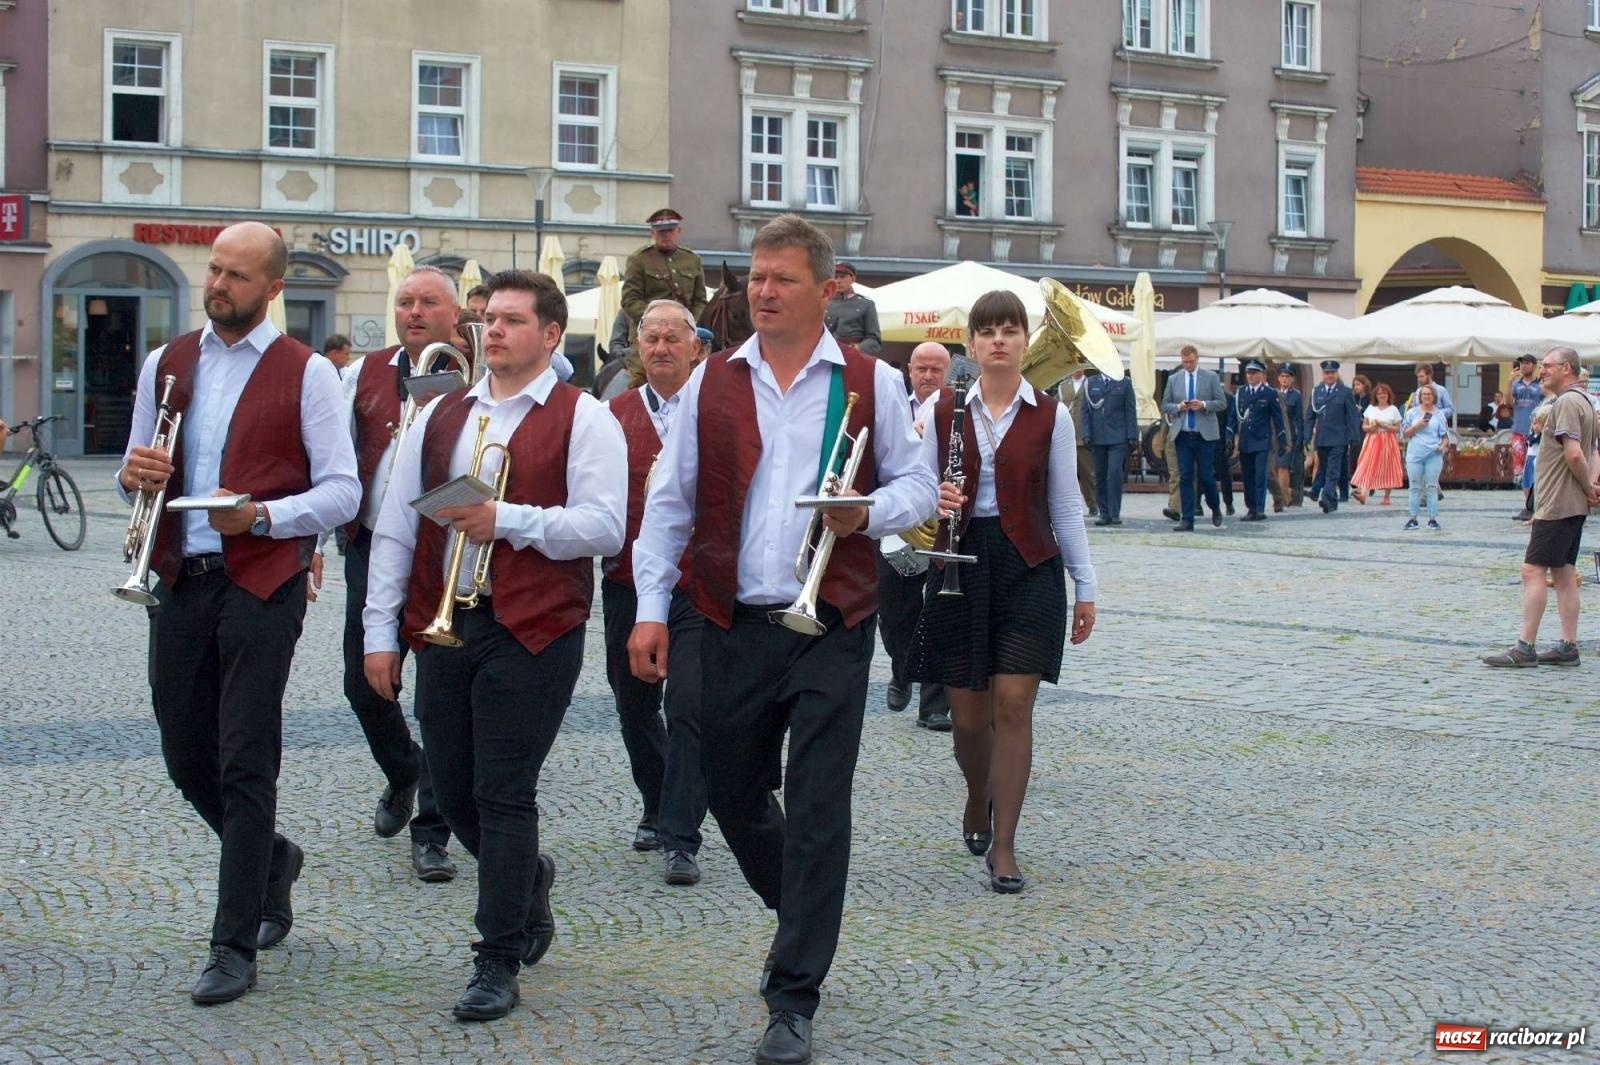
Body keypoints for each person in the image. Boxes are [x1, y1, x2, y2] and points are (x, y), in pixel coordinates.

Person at [627, 214, 936, 1065]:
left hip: (832, 618)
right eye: (756, 277)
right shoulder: (710, 382)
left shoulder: (870, 382)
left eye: (781, 278)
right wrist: (652, 606)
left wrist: (868, 511)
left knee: (820, 804)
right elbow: (669, 502)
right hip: (733, 618)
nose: (761, 291)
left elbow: (917, 484)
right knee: (726, 785)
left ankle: (791, 993)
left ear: (827, 289)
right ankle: (802, 906)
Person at [362, 269, 626, 1020]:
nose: (495, 331)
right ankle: (525, 881)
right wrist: (381, 633)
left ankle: (497, 955)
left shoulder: (586, 417)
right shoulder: (440, 416)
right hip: (446, 625)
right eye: (488, 320)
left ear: (550, 335)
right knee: (453, 783)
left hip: (535, 628)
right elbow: (397, 529)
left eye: (512, 320)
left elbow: (606, 525)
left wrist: (506, 518)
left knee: (504, 790)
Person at [117, 221, 360, 1003]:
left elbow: (342, 491)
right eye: (215, 270)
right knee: (185, 752)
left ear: (274, 288)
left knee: (245, 756)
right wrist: (134, 473)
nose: (218, 285)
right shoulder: (167, 361)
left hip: (263, 580)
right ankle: (271, 858)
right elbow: (135, 475)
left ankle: (232, 943)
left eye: (237, 276)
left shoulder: (309, 373)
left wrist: (261, 518)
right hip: (181, 576)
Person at [906, 289, 1097, 897]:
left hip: (1028, 565)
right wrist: (932, 497)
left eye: (1010, 331)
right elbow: (909, 487)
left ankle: (1006, 845)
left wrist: (1085, 583)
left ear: (1025, 340)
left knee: (1014, 704)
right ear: (972, 344)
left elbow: (1065, 503)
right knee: (968, 717)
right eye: (987, 332)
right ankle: (975, 794)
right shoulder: (941, 411)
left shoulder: (1050, 413)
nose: (998, 341)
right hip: (961, 558)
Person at [316, 266, 462, 884]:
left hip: (445, 551)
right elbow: (335, 457)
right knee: (363, 683)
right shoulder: (362, 373)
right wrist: (319, 543)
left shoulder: (475, 372)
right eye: (405, 302)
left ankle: (433, 831)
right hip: (372, 544)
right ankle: (406, 771)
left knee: (436, 695)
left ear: (454, 314)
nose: (415, 311)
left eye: (429, 302)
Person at [601, 299, 711, 882]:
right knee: (633, 701)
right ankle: (655, 798)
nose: (663, 346)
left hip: (699, 584)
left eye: (674, 337)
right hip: (626, 579)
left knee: (689, 705)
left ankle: (680, 834)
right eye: (652, 337)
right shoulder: (611, 413)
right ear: (638, 347)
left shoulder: (717, 408)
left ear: (696, 347)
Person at [1483, 347, 1599, 668]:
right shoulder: (1585, 401)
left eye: (1547, 365)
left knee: (1532, 570)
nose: (1540, 370)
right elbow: (1591, 451)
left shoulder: (1566, 402)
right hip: (1571, 502)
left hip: (1557, 502)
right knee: (1563, 573)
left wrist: (1589, 487)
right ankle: (1567, 646)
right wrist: (1589, 487)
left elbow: (1575, 453)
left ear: (1566, 368)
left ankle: (1525, 647)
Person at [882, 341, 952, 730]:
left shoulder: (960, 409)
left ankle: (934, 706)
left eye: (936, 369)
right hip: (898, 523)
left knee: (938, 610)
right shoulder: (893, 405)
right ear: (909, 370)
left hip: (942, 525)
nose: (928, 376)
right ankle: (901, 665)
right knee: (894, 611)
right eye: (921, 369)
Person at [1161, 345, 1226, 530]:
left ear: (1197, 359)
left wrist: (1204, 404)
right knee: (1185, 476)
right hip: (1183, 434)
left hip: (1204, 435)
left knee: (1206, 476)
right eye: (1184, 362)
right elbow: (1165, 404)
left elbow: (1222, 403)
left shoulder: (1210, 377)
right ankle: (1187, 518)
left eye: (1190, 362)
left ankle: (1215, 508)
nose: (1187, 365)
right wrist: (1179, 407)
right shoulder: (1174, 379)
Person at [622, 208, 708, 334]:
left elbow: (700, 300)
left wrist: (690, 321)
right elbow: (630, 300)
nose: (666, 235)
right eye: (661, 231)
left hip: (684, 332)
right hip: (649, 333)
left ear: (678, 231)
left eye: (670, 230)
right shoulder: (639, 259)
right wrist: (658, 319)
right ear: (652, 233)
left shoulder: (692, 259)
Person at [1080, 368, 1138, 526]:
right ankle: (1104, 513)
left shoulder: (1124, 382)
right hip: (1097, 436)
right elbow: (1084, 411)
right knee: (1099, 476)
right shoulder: (1091, 383)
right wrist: (1086, 434)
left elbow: (1130, 409)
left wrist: (1132, 436)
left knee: (1114, 473)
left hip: (1118, 436)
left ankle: (1114, 512)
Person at [1305, 360, 1362, 513]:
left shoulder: (1345, 392)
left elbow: (1352, 416)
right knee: (1324, 468)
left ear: (1337, 374)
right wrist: (1307, 435)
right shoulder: (1316, 392)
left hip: (1338, 438)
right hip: (1322, 438)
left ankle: (1326, 496)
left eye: (1332, 372)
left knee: (1333, 470)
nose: (1329, 375)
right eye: (1327, 372)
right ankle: (1332, 502)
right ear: (1323, 374)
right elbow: (1310, 416)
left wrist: (1354, 436)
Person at [1234, 360, 1287, 522]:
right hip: (1245, 440)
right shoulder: (1241, 392)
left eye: (1254, 373)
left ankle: (1259, 508)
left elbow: (1278, 419)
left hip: (1262, 440)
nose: (1250, 376)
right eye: (1248, 373)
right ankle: (1250, 507)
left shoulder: (1269, 393)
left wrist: (1282, 440)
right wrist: (1230, 435)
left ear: (1261, 375)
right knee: (1248, 476)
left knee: (1260, 475)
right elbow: (1233, 416)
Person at [1399, 383, 1449, 529]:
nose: (1427, 396)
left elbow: (1445, 436)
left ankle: (1432, 518)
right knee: (1414, 486)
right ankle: (1413, 518)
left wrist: (1443, 445)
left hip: (1433, 454)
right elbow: (1404, 434)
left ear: (1434, 397)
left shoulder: (1439, 414)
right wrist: (1417, 426)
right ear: (1420, 397)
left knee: (1431, 486)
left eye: (1429, 394)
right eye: (1424, 394)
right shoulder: (1412, 413)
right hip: (1415, 454)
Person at [1350, 382, 1403, 506]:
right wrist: (1371, 427)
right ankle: (1363, 493)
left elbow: (1397, 428)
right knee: (1367, 464)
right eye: (1379, 393)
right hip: (1372, 439)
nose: (1381, 395)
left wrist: (1383, 425)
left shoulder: (1393, 409)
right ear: (1375, 396)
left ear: (1388, 395)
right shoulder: (1371, 408)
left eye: (1384, 393)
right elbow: (1364, 426)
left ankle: (1386, 496)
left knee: (1387, 466)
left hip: (1387, 440)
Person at [823, 262, 881, 355]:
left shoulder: (866, 304)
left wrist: (858, 348)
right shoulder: (822, 302)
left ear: (853, 278)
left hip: (855, 355)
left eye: (842, 276)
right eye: (835, 277)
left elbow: (874, 340)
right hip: (826, 353)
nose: (838, 281)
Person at [1510, 353, 1541, 501]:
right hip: (1518, 429)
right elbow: (1508, 403)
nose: (1524, 366)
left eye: (1528, 363)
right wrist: (1509, 381)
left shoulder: (1540, 385)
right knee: (1519, 471)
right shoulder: (1516, 384)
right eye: (1522, 363)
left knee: (1532, 468)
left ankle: (1533, 503)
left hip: (1535, 432)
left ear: (1534, 366)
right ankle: (1527, 503)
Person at [1273, 365, 1305, 509]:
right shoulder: (1274, 393)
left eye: (1288, 376)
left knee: (1283, 466)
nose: (1285, 379)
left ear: (1292, 379)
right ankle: (1285, 494)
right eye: (1282, 376)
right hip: (1275, 434)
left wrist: (1300, 437)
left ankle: (1283, 497)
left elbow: (1299, 419)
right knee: (1275, 468)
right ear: (1278, 378)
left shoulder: (1295, 395)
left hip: (1289, 435)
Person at [1346, 373, 1371, 496]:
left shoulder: (1369, 399)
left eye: (1358, 384)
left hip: (1365, 430)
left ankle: (1366, 483)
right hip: (1354, 429)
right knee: (1353, 455)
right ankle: (1354, 480)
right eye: (1354, 385)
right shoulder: (1352, 398)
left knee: (1364, 455)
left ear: (1364, 385)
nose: (1356, 387)